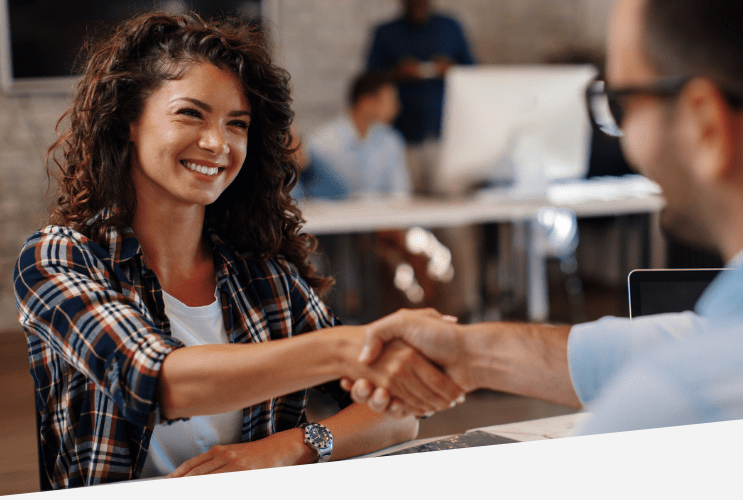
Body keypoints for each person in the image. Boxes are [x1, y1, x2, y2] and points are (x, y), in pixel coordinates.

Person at [344, 0, 743, 435]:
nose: (624, 135)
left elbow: (705, 362)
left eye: (622, 104)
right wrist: (470, 356)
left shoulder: (680, 407)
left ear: (706, 126)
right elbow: (702, 338)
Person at [13, 12, 462, 489]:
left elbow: (396, 415)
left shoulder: (265, 277)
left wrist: (285, 448)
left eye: (237, 124)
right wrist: (344, 349)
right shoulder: (58, 258)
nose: (217, 143)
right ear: (129, 120)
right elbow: (156, 381)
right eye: (191, 113)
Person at [365, 0, 475, 194]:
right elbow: (368, 79)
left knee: (450, 207)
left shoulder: (450, 27)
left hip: (445, 135)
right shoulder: (386, 32)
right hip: (402, 137)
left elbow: (474, 72)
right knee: (407, 204)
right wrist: (396, 73)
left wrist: (452, 69)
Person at [304, 71, 410, 199]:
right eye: (390, 100)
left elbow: (400, 194)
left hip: (382, 216)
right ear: (365, 102)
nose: (396, 107)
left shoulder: (391, 141)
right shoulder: (321, 142)